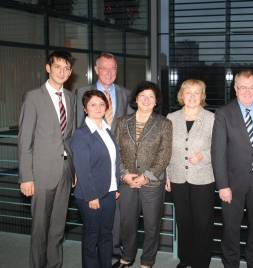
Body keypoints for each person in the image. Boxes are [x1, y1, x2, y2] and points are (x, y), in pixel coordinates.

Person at [211, 70, 253, 268]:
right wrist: (222, 185)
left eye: (251, 87)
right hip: (232, 184)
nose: (247, 92)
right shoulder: (223, 113)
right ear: (235, 89)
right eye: (242, 87)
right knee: (231, 230)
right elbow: (218, 152)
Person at [18, 50, 75, 268]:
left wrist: (74, 171)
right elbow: (25, 141)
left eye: (66, 68)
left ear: (70, 72)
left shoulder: (71, 98)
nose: (62, 71)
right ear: (48, 68)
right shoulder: (33, 97)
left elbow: (69, 139)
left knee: (58, 230)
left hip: (64, 173)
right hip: (40, 175)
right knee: (40, 231)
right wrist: (26, 177)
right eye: (58, 67)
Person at [76, 52, 132, 256]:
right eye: (104, 68)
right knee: (93, 230)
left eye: (113, 68)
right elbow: (76, 129)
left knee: (112, 220)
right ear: (96, 69)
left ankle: (114, 252)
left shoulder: (125, 93)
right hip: (91, 166)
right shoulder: (82, 92)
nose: (109, 72)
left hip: (116, 168)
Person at [112, 81, 172, 268]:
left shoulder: (164, 123)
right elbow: (115, 151)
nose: (146, 100)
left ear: (156, 102)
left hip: (152, 183)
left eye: (151, 97)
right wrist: (123, 174)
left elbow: (165, 154)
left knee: (152, 226)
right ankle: (127, 257)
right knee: (127, 224)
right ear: (136, 99)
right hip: (127, 182)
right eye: (142, 96)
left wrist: (146, 176)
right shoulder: (122, 122)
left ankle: (147, 261)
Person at [165, 79, 215, 268]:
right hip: (178, 178)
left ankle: (201, 262)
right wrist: (167, 176)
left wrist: (204, 155)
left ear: (202, 96)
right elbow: (166, 150)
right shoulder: (171, 117)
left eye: (197, 92)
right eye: (188, 92)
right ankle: (185, 259)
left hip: (203, 179)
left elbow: (218, 148)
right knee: (184, 222)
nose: (192, 96)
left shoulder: (211, 118)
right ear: (181, 95)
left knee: (202, 224)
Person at [71, 90, 121, 268]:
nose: (98, 108)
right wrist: (92, 196)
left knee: (107, 235)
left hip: (109, 192)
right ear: (85, 108)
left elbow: (114, 161)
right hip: (90, 195)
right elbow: (82, 169)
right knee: (92, 238)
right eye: (93, 104)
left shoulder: (106, 130)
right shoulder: (82, 134)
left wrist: (116, 187)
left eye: (101, 104)